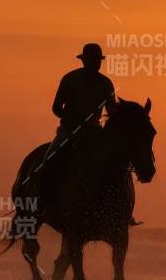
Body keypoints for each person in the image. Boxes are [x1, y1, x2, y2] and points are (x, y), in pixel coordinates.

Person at [42, 42, 116, 216]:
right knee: (49, 160)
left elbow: (112, 112)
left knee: (114, 163)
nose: (96, 64)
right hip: (69, 130)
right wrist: (73, 120)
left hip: (94, 132)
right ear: (84, 61)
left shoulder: (106, 84)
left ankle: (118, 205)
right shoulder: (69, 79)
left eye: (97, 61)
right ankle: (44, 201)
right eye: (93, 60)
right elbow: (56, 108)